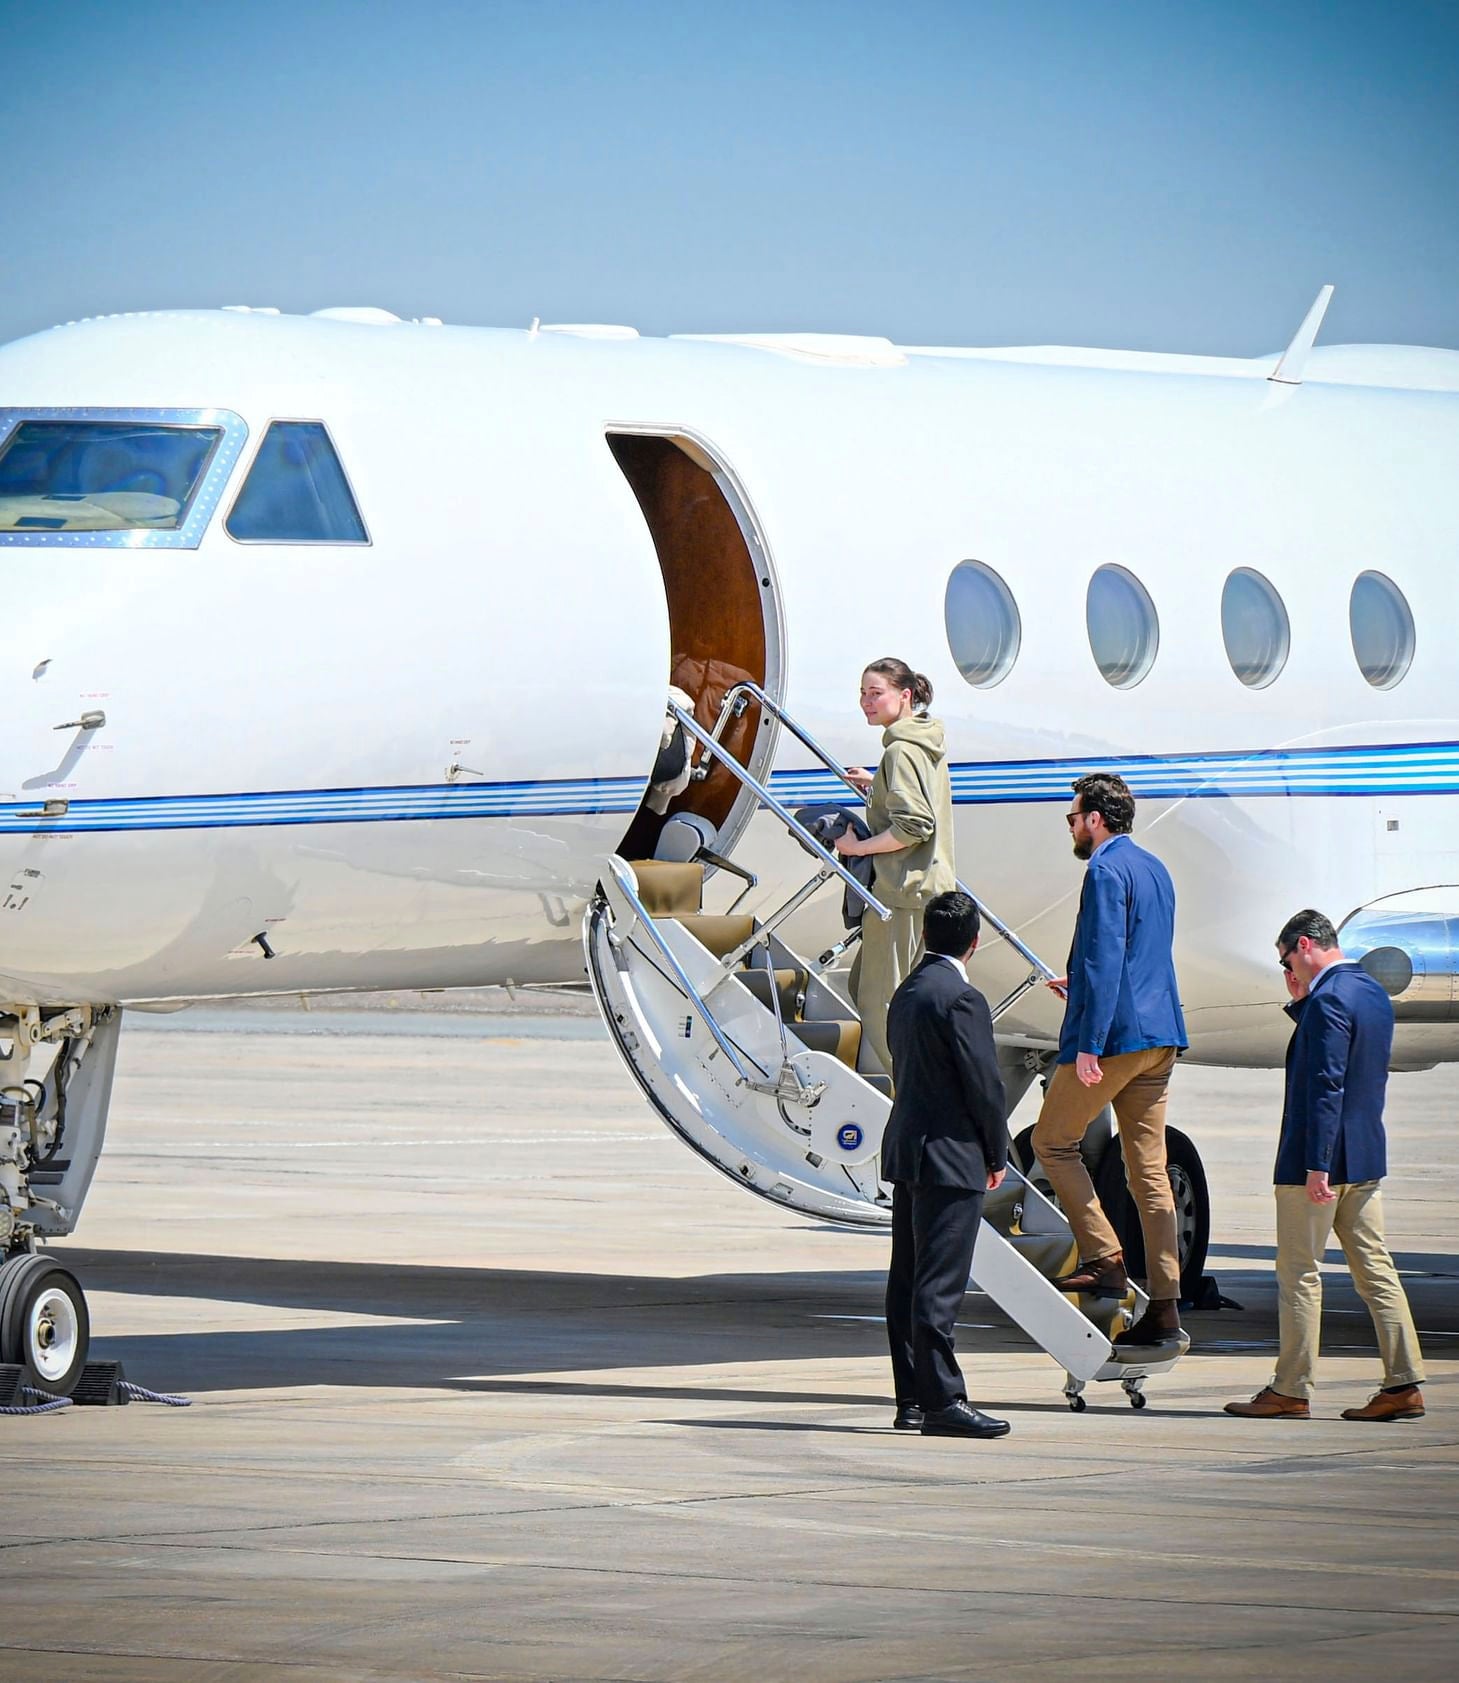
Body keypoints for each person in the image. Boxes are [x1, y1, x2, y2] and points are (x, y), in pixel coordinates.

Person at [1225, 911, 1426, 1420]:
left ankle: (1291, 1388)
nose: (1287, 969)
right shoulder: (1369, 991)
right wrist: (1300, 1003)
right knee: (1376, 1270)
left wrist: (1317, 1165)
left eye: (1286, 959)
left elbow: (1325, 1084)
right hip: (1364, 1156)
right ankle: (1404, 1383)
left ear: (1306, 945)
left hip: (1316, 1164)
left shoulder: (1329, 999)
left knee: (1299, 1274)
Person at [1031, 772, 1189, 1347]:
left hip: (1116, 1038)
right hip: (1160, 1034)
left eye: (1072, 818)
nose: (1071, 827)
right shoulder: (1154, 867)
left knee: (1053, 1142)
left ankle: (1104, 1256)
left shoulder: (1102, 869)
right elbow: (1137, 952)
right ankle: (1167, 1307)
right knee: (1149, 1175)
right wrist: (1082, 983)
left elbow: (1104, 958)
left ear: (1095, 819)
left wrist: (1090, 1043)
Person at [881, 890, 1011, 1439]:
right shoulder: (962, 998)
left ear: (925, 937)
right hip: (951, 1156)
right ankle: (943, 1402)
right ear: (974, 942)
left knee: (908, 1281)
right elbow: (983, 1084)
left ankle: (911, 1398)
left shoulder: (906, 993)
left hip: (909, 1150)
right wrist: (996, 1150)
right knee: (939, 1284)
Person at [834, 659, 955, 1077]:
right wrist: (878, 784)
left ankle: (914, 1092)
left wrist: (858, 847)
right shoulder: (923, 742)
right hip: (927, 889)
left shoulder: (901, 750)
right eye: (862, 693)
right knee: (871, 988)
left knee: (879, 1002)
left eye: (876, 693)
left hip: (902, 894)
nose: (865, 702)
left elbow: (914, 826)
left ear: (904, 695)